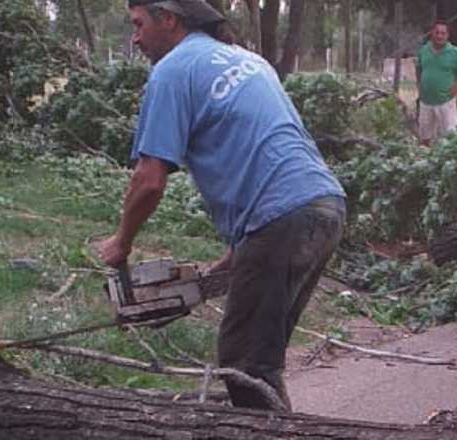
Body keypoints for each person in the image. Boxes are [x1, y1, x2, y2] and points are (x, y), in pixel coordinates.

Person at [95, 0, 346, 412]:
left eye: (139, 25)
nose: (134, 37)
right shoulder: (246, 59)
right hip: (323, 205)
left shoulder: (173, 71)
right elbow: (265, 146)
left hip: (281, 218)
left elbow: (149, 180)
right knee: (259, 356)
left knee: (245, 365)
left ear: (169, 19)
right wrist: (233, 257)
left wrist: (120, 243)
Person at [414, 21, 457, 146]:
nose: (440, 36)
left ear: (447, 36)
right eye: (437, 33)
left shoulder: (454, 52)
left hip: (445, 101)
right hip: (425, 101)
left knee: (451, 138)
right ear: (431, 34)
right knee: (424, 138)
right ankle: (424, 161)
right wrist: (419, 85)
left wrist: (456, 88)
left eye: (443, 33)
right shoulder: (424, 50)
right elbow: (418, 67)